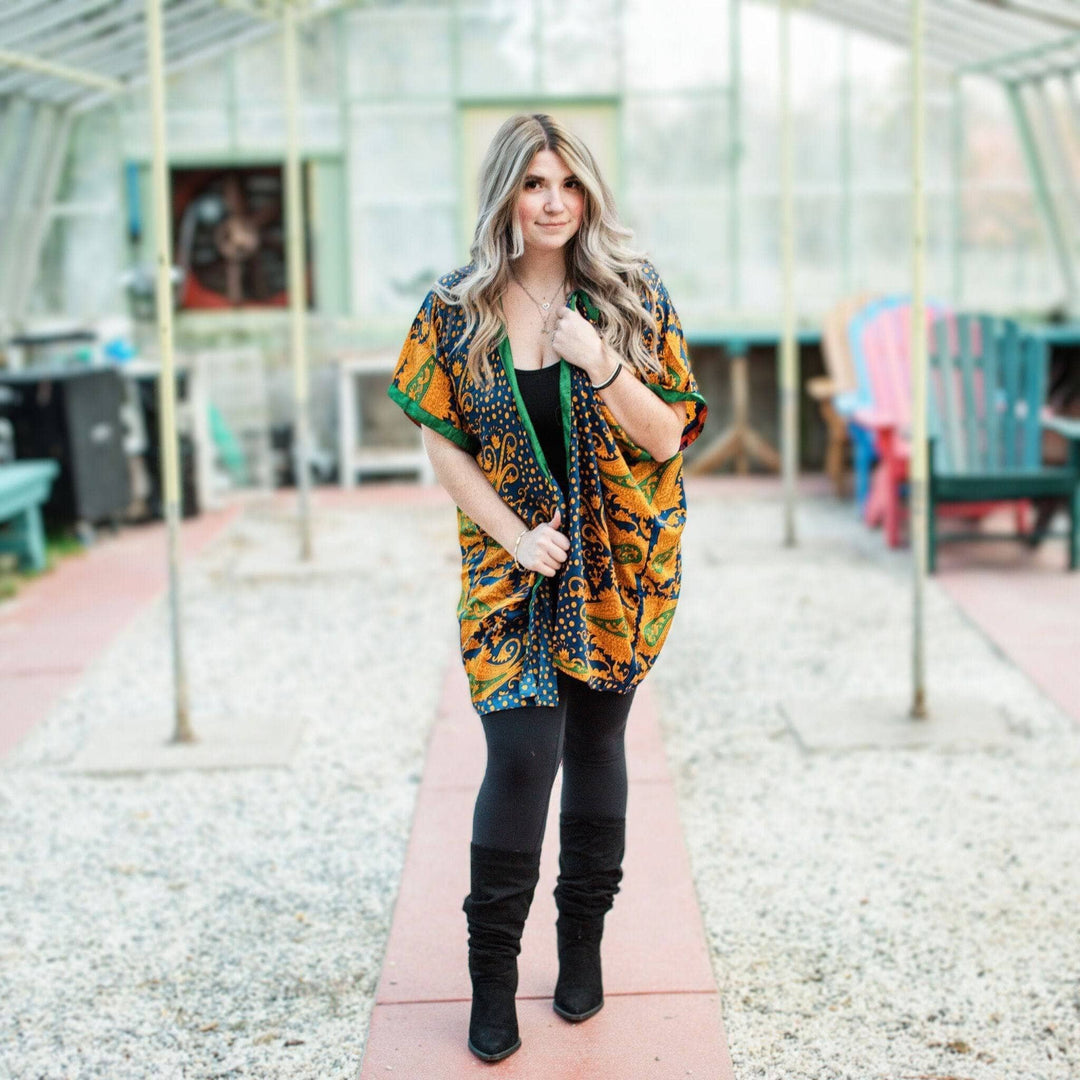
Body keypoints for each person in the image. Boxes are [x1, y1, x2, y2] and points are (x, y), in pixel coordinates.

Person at [388, 113, 707, 1063]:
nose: (554, 201)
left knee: (600, 741)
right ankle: (491, 975)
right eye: (534, 183)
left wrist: (594, 357)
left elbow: (665, 438)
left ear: (590, 193)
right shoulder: (456, 309)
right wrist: (515, 536)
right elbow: (440, 439)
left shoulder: (632, 297)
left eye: (568, 183)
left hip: (618, 568)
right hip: (509, 572)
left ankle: (581, 946)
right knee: (523, 760)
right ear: (506, 196)